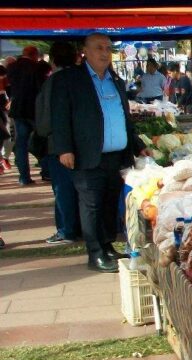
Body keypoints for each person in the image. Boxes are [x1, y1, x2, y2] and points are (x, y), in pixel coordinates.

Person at [51, 33, 148, 273]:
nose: (104, 53)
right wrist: (64, 148)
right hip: (87, 155)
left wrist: (137, 145)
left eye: (108, 48)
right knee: (91, 205)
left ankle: (107, 246)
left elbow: (123, 118)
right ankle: (95, 254)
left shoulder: (115, 80)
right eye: (98, 48)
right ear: (85, 51)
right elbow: (59, 117)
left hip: (116, 156)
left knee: (108, 203)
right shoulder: (69, 79)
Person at [36, 41, 80, 245]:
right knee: (82, 189)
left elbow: (44, 120)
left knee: (63, 189)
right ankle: (78, 227)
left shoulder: (53, 82)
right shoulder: (83, 78)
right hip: (84, 144)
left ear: (53, 60)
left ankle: (66, 229)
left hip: (58, 146)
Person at [7, 45, 47, 185]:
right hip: (33, 110)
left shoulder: (12, 67)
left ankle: (24, 177)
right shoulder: (37, 68)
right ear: (34, 55)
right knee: (42, 140)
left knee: (21, 144)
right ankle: (46, 170)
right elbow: (41, 89)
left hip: (18, 109)